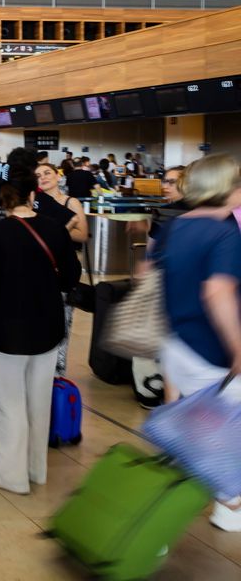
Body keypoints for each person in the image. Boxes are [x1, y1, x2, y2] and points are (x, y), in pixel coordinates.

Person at [0, 149, 81, 496]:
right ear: (33, 194)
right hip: (47, 329)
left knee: (5, 403)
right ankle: (35, 468)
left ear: (3, 199)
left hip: (5, 332)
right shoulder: (54, 230)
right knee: (37, 401)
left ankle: (8, 474)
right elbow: (71, 277)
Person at [145, 155, 241, 531]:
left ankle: (216, 501)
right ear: (226, 187)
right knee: (220, 431)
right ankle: (229, 504)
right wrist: (237, 347)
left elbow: (152, 272)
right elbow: (217, 292)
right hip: (209, 349)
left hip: (176, 343)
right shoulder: (224, 233)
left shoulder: (176, 225)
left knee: (202, 431)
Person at [34, 160, 89, 375]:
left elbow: (82, 234)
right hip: (39, 269)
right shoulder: (35, 203)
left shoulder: (70, 202)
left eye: (47, 172)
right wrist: (64, 227)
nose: (44, 177)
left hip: (63, 269)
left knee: (62, 323)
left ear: (57, 175)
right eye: (38, 175)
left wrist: (54, 231)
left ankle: (58, 373)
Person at [149, 165, 189, 241]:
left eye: (172, 182)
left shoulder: (163, 212)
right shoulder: (203, 209)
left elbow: (153, 248)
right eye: (164, 181)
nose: (165, 187)